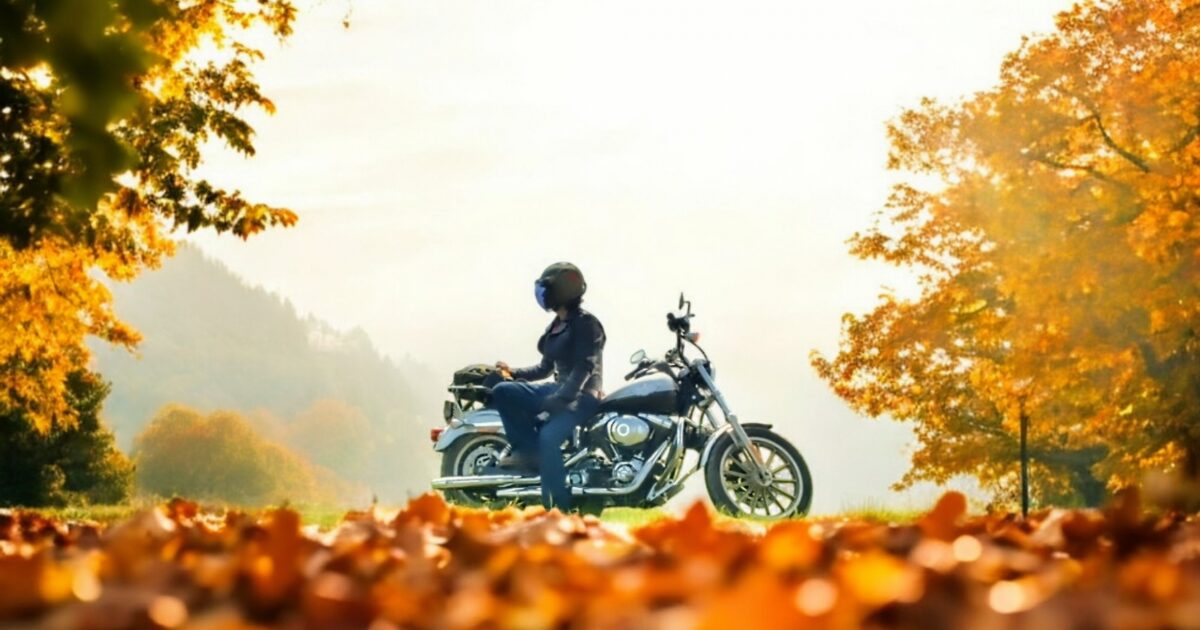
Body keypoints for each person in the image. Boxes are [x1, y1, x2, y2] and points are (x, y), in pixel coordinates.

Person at [490, 262, 605, 511]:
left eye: (546, 289)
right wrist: (512, 373)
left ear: (562, 290)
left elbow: (585, 366)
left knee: (549, 438)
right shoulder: (557, 324)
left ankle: (559, 507)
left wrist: (562, 399)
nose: (542, 295)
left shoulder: (587, 324)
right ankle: (529, 452)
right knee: (503, 391)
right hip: (558, 391)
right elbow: (544, 368)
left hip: (582, 398)